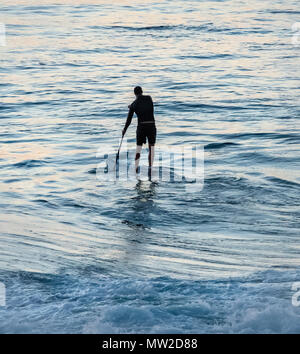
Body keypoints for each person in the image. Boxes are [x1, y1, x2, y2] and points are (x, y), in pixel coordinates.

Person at [122, 86, 156, 174]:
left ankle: (136, 169)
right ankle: (150, 168)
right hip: (151, 125)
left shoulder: (134, 104)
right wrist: (132, 105)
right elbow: (143, 104)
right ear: (142, 91)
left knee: (138, 149)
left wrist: (124, 130)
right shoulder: (149, 98)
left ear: (134, 93)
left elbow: (129, 120)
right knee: (151, 148)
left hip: (141, 127)